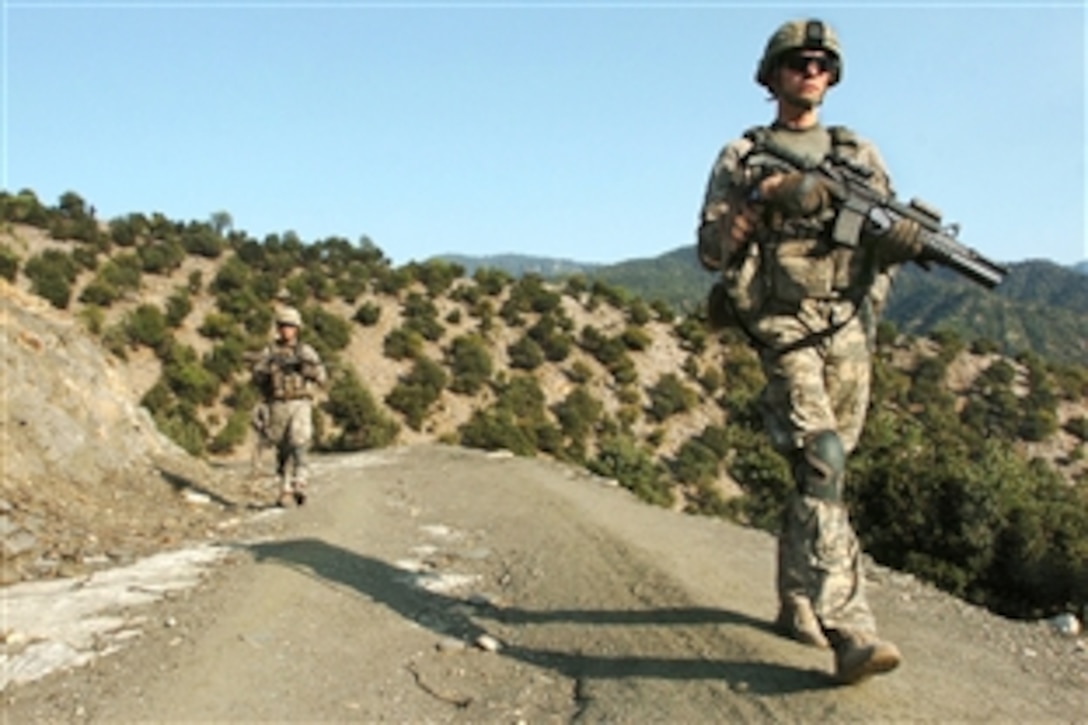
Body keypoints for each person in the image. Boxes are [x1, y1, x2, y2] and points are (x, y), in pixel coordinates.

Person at [697, 18, 925, 685]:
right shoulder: (744, 154)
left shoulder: (859, 153)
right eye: (798, 62)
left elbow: (879, 234)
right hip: (782, 325)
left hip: (848, 328)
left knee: (825, 468)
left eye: (823, 63)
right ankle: (850, 627)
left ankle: (795, 593)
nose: (811, 71)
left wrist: (901, 240)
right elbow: (712, 250)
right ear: (772, 75)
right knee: (821, 455)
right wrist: (770, 199)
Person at [250, 306, 328, 507]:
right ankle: (285, 488)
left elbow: (322, 376)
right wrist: (268, 368)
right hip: (277, 404)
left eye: (290, 326)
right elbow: (257, 377)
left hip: (300, 402)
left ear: (297, 328)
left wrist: (306, 369)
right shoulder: (269, 351)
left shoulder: (305, 351)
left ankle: (300, 481)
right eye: (283, 326)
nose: (287, 330)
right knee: (283, 448)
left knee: (299, 440)